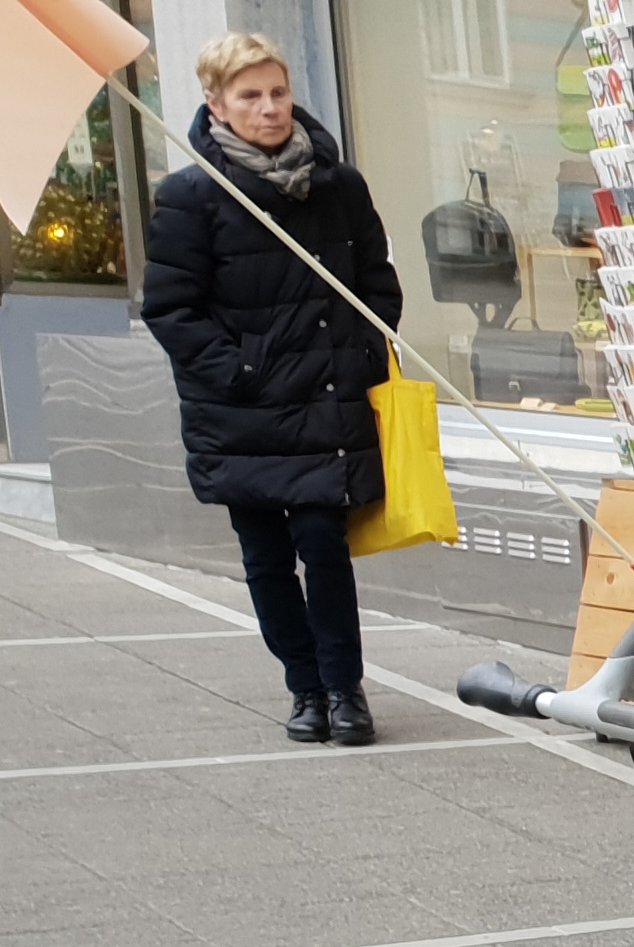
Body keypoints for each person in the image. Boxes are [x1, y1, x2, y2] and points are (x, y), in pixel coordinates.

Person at [140, 34, 400, 746]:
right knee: (266, 557)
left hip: (324, 398)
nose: (269, 108)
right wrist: (240, 373)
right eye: (250, 96)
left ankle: (345, 689)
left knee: (323, 542)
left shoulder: (338, 186)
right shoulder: (193, 196)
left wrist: (360, 358)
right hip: (242, 411)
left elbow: (377, 286)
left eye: (278, 92)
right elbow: (171, 309)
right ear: (216, 103)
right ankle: (304, 688)